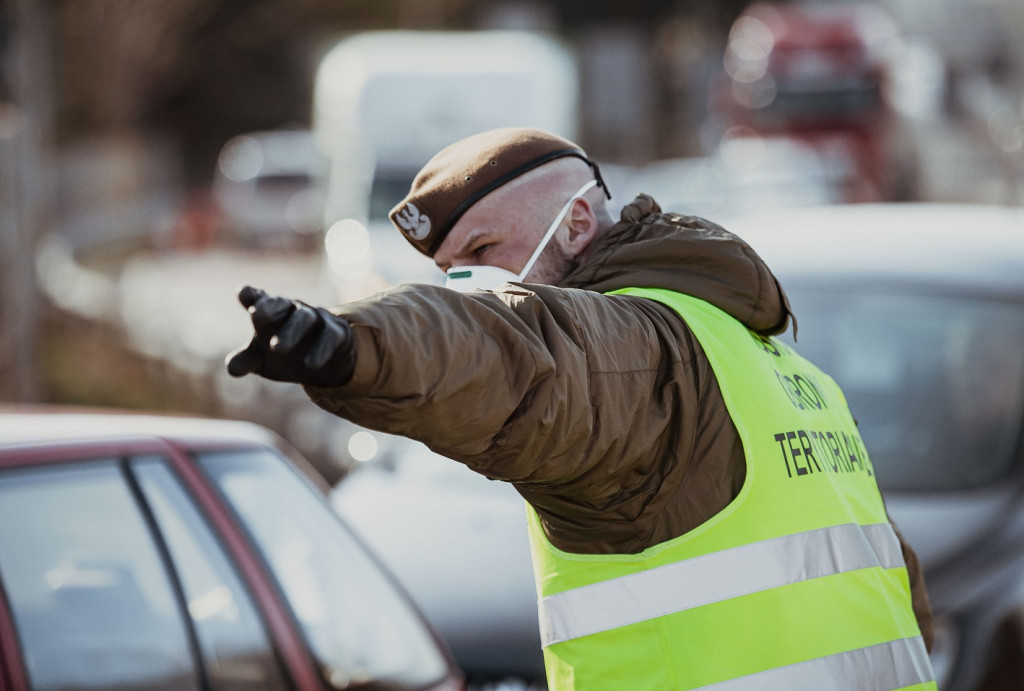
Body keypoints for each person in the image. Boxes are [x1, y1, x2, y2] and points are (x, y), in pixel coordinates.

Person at [227, 127, 936, 690]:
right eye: (447, 272)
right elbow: (900, 600)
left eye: (484, 249)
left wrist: (359, 347)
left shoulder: (645, 355)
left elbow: (519, 356)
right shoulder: (789, 372)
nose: (469, 284)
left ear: (575, 224)